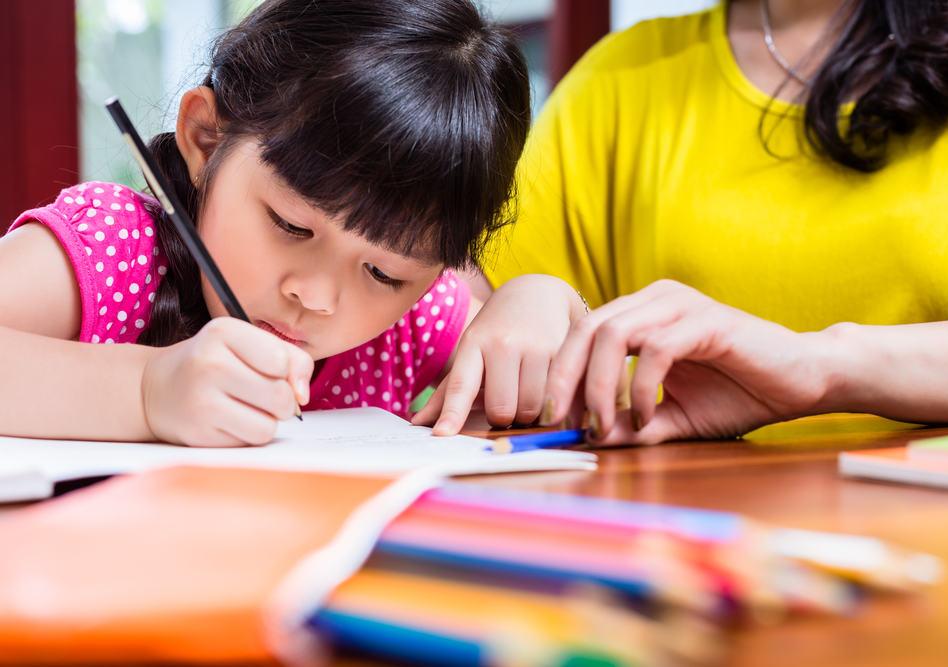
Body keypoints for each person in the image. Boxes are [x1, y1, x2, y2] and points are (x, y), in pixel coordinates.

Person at [0, 0, 586, 447]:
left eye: (383, 273)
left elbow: (542, 387)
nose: (316, 296)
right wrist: (144, 393)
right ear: (206, 138)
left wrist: (541, 300)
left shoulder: (411, 324)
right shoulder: (114, 249)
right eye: (291, 226)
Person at [470, 0, 948, 444]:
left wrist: (821, 368)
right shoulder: (623, 77)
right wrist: (527, 298)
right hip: (684, 534)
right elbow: (441, 314)